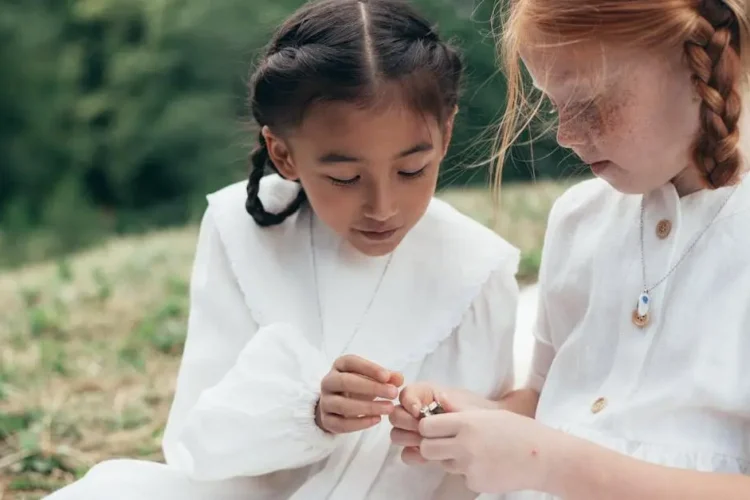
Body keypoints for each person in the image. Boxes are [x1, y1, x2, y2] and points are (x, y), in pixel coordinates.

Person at [43, 0, 521, 498]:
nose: (383, 206)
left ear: (444, 135)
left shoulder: (476, 269)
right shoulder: (240, 230)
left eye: (411, 170)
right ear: (283, 154)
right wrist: (311, 413)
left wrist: (435, 420)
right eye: (344, 177)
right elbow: (197, 439)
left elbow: (479, 462)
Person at [390, 0, 750, 498]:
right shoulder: (579, 219)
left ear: (706, 59)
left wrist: (550, 465)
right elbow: (548, 401)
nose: (567, 134)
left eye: (590, 101)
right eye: (554, 104)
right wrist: (476, 418)